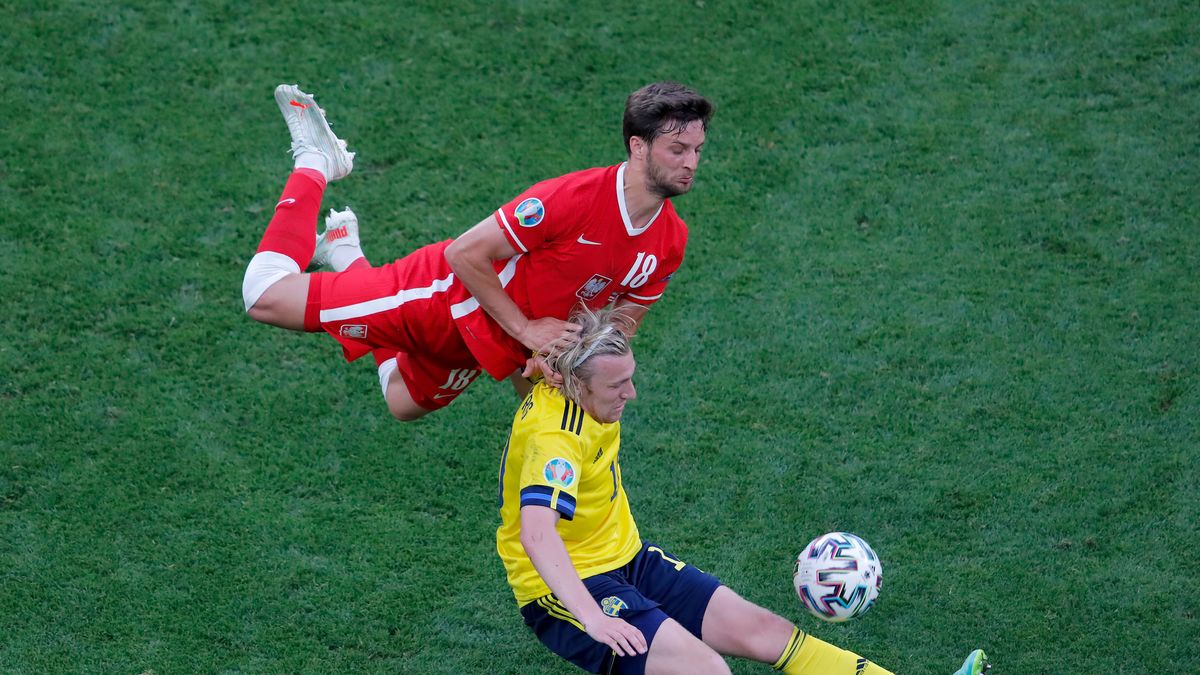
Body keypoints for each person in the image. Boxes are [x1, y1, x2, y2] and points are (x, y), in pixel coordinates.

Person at [495, 306, 991, 675]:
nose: (631, 394)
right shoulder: (555, 440)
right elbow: (539, 535)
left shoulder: (580, 382)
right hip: (566, 590)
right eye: (617, 386)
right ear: (577, 385)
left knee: (767, 633)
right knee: (708, 671)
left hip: (628, 559)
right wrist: (591, 618)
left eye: (631, 378)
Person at [241, 82, 713, 421]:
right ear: (637, 146)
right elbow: (466, 253)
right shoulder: (571, 200)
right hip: (441, 301)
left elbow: (619, 326)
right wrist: (528, 330)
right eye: (677, 149)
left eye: (697, 149)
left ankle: (347, 257)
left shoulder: (670, 241)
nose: (691, 162)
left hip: (492, 339)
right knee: (264, 296)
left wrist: (564, 357)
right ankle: (317, 161)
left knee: (401, 402)